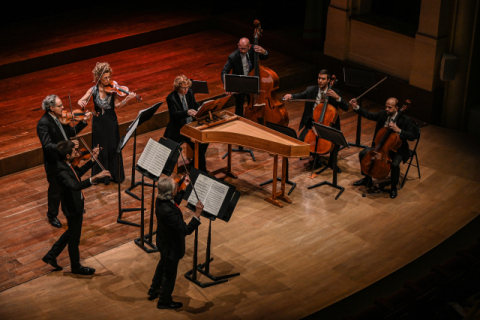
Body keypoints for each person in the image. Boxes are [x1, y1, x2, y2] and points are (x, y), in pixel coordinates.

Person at [41, 140, 111, 275]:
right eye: (74, 151)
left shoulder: (66, 164)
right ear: (67, 156)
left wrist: (92, 160)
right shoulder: (61, 170)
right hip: (71, 207)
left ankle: (51, 255)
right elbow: (75, 185)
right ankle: (76, 267)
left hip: (75, 204)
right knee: (74, 239)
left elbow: (77, 173)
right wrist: (95, 177)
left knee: (71, 233)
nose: (77, 153)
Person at [37, 94, 92, 228]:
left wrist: (83, 121)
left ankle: (72, 208)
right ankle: (52, 215)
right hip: (54, 161)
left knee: (70, 185)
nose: (63, 107)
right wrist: (66, 146)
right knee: (55, 190)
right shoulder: (43, 123)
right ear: (51, 108)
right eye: (60, 105)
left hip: (67, 159)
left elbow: (71, 132)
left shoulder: (61, 118)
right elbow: (47, 145)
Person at [148, 176, 203, 310]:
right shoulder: (169, 212)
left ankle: (154, 288)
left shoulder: (160, 200)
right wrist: (197, 214)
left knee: (163, 264)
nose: (178, 185)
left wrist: (183, 187)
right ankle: (164, 301)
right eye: (176, 186)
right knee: (169, 275)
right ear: (172, 192)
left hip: (163, 241)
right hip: (171, 247)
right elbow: (185, 230)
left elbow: (174, 202)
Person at [78, 62, 136, 185]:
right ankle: (100, 176)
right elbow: (81, 100)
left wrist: (126, 99)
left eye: (109, 77)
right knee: (99, 148)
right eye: (105, 78)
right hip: (98, 124)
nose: (108, 80)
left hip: (111, 122)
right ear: (98, 77)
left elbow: (117, 106)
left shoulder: (113, 90)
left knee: (112, 147)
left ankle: (114, 175)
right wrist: (81, 103)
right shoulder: (93, 90)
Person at [349, 97, 417, 199]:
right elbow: (369, 115)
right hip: (380, 147)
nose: (387, 109)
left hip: (397, 149)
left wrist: (399, 130)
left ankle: (393, 187)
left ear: (396, 108)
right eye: (386, 107)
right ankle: (367, 179)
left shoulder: (405, 120)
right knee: (363, 153)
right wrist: (356, 107)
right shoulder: (383, 114)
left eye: (390, 107)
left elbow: (412, 136)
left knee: (394, 164)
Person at [283, 69, 349, 171]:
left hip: (328, 125)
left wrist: (337, 98)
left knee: (335, 140)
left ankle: (332, 163)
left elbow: (346, 107)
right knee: (301, 142)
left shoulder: (334, 93)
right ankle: (316, 157)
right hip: (313, 123)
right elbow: (301, 95)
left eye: (323, 79)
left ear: (328, 81)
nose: (320, 81)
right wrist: (291, 96)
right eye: (319, 78)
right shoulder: (311, 90)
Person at [163, 75, 209, 172]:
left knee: (205, 140)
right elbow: (174, 115)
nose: (186, 90)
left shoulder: (190, 93)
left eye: (187, 87)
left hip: (191, 125)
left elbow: (194, 104)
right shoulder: (171, 98)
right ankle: (201, 170)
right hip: (179, 129)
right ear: (177, 87)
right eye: (184, 88)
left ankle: (195, 165)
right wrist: (187, 112)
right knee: (199, 145)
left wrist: (200, 108)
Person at [221, 37, 269, 117]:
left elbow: (265, 57)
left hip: (251, 81)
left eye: (245, 49)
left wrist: (264, 52)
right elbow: (224, 72)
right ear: (238, 45)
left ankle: (253, 118)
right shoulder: (233, 57)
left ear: (249, 46)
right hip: (239, 82)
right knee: (239, 104)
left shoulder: (254, 50)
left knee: (252, 102)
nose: (242, 51)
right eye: (241, 48)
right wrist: (227, 86)